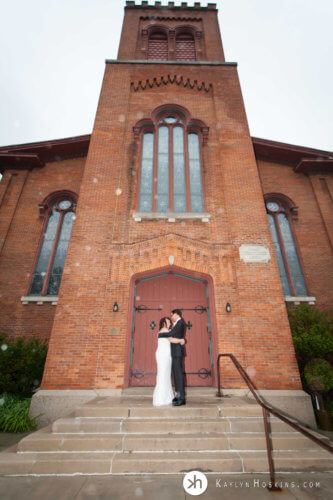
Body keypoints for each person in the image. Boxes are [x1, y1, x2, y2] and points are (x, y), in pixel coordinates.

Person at [153, 316, 185, 407]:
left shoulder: (162, 331)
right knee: (163, 375)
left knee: (165, 375)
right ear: (163, 323)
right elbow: (171, 340)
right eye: (168, 322)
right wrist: (181, 340)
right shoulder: (164, 330)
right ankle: (161, 398)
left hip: (164, 355)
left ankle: (166, 396)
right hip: (163, 355)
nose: (170, 323)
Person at [169, 309, 186, 406]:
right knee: (175, 374)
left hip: (177, 352)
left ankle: (182, 398)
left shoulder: (180, 323)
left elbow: (171, 334)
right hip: (175, 352)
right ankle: (178, 394)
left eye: (172, 315)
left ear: (176, 314)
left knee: (179, 375)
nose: (171, 317)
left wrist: (162, 333)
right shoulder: (177, 323)